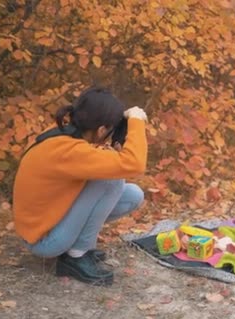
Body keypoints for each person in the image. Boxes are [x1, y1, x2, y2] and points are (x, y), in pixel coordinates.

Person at [12, 86, 148, 286]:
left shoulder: (64, 131)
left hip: (50, 219)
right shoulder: (69, 151)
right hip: (44, 241)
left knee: (133, 195)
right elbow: (135, 165)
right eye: (109, 132)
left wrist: (114, 143)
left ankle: (75, 245)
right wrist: (135, 121)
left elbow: (100, 160)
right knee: (111, 179)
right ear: (101, 130)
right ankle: (76, 256)